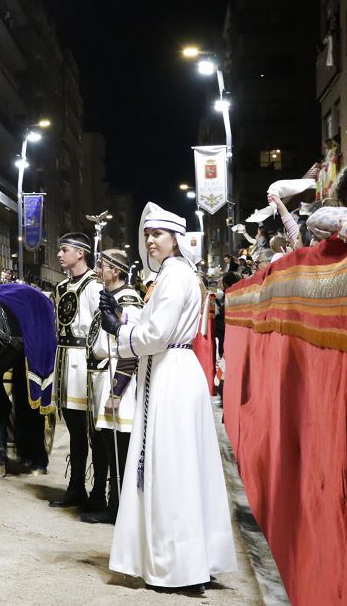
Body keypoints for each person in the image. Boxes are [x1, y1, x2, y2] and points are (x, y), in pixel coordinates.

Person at [99, 203, 236, 593]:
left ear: (175, 238)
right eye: (147, 235)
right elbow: (156, 325)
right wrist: (126, 321)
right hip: (174, 368)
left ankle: (177, 566)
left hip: (170, 374)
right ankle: (194, 559)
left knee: (170, 468)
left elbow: (157, 334)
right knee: (183, 467)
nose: (150, 241)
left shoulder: (174, 277)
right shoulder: (176, 275)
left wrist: (120, 332)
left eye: (157, 234)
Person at [82, 248, 142, 525]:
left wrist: (117, 392)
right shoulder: (113, 297)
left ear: (115, 271)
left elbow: (131, 348)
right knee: (104, 443)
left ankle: (117, 506)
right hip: (102, 377)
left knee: (118, 447)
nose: (96, 270)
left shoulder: (128, 300)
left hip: (118, 380)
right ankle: (104, 499)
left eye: (101, 266)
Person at [47, 232, 105, 508]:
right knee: (74, 429)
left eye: (64, 249)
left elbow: (101, 328)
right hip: (65, 360)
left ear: (80, 253)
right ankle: (76, 487)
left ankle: (98, 491)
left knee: (93, 431)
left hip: (84, 362)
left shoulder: (94, 286)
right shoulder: (62, 287)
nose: (59, 255)